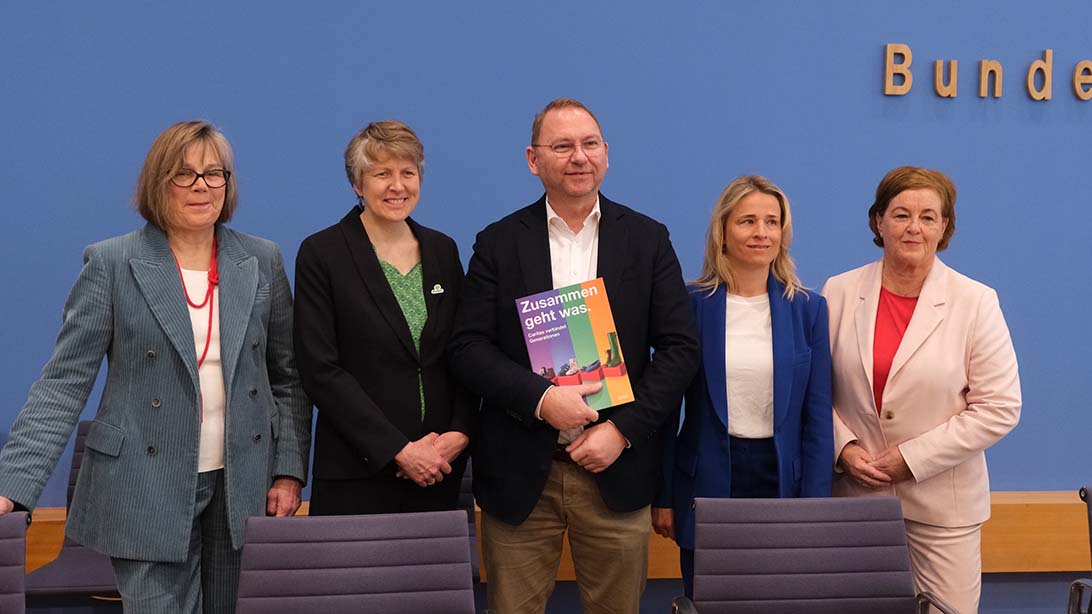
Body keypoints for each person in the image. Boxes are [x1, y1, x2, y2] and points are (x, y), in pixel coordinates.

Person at [0, 120, 312, 613]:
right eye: (184, 174)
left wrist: (289, 471)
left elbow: (288, 377)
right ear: (158, 183)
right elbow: (63, 383)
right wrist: (12, 486)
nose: (202, 186)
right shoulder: (112, 262)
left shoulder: (260, 259)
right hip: (144, 485)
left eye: (214, 173)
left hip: (242, 484)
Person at [449, 98, 700, 614]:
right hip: (521, 475)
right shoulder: (498, 243)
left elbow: (680, 349)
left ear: (606, 152)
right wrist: (542, 399)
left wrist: (622, 430)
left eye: (589, 144)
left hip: (617, 468)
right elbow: (468, 348)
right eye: (562, 146)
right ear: (533, 159)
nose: (579, 157)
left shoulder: (648, 239)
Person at [823, 166, 1021, 613]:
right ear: (878, 221)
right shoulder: (839, 291)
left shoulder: (975, 301)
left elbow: (999, 407)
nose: (914, 227)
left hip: (943, 510)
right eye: (901, 214)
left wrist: (911, 459)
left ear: (944, 227)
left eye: (928, 217)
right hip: (855, 500)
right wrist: (844, 448)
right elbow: (814, 391)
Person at [652, 175, 833, 597]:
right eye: (747, 221)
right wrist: (663, 495)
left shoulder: (808, 309)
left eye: (772, 222)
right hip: (707, 479)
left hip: (782, 481)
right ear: (723, 231)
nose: (761, 232)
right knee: (710, 598)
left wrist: (816, 504)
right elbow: (664, 411)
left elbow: (818, 419)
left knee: (780, 599)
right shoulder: (689, 306)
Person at [294, 120, 476, 515]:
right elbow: (320, 370)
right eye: (382, 174)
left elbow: (465, 349)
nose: (397, 186)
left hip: (440, 469)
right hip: (357, 473)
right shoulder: (322, 253)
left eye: (408, 172)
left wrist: (460, 432)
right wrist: (399, 450)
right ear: (357, 184)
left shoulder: (442, 250)